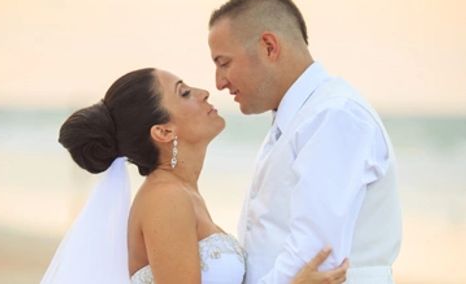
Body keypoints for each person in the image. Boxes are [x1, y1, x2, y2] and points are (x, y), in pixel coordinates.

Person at [41, 68, 348, 284]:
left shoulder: (181, 193)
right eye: (185, 93)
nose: (204, 93)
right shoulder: (165, 199)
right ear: (163, 131)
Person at [208, 0, 402, 284]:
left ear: (269, 47)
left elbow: (315, 257)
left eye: (224, 63)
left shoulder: (333, 116)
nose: (219, 82)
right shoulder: (298, 118)